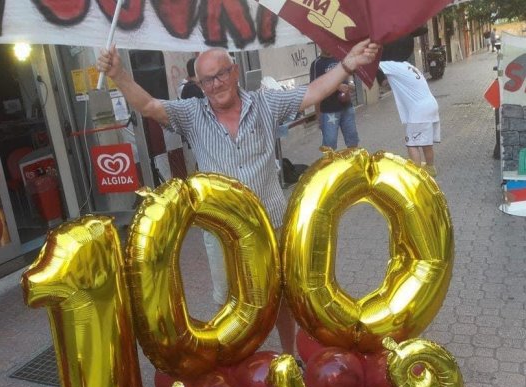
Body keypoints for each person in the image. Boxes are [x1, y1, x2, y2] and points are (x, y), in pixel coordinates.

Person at [97, 40, 379, 357]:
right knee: (229, 301)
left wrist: (347, 65)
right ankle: (235, 365)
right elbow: (149, 107)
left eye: (221, 74)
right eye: (207, 80)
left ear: (234, 72)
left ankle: (289, 356)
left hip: (271, 223)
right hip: (222, 232)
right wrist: (119, 74)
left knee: (282, 295)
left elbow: (311, 93)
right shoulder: (191, 114)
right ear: (199, 85)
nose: (216, 84)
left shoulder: (264, 104)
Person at [378, 60, 440, 176]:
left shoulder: (392, 65)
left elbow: (373, 62)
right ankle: (430, 168)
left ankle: (416, 175)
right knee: (426, 142)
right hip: (431, 105)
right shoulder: (408, 66)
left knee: (412, 144)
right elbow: (391, 82)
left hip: (419, 110)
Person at [309, 55, 359, 150]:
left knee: (352, 139)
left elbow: (349, 73)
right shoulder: (317, 64)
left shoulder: (340, 57)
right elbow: (315, 87)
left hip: (347, 106)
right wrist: (318, 113)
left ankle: (354, 162)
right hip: (328, 110)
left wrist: (351, 83)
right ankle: (330, 164)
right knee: (329, 145)